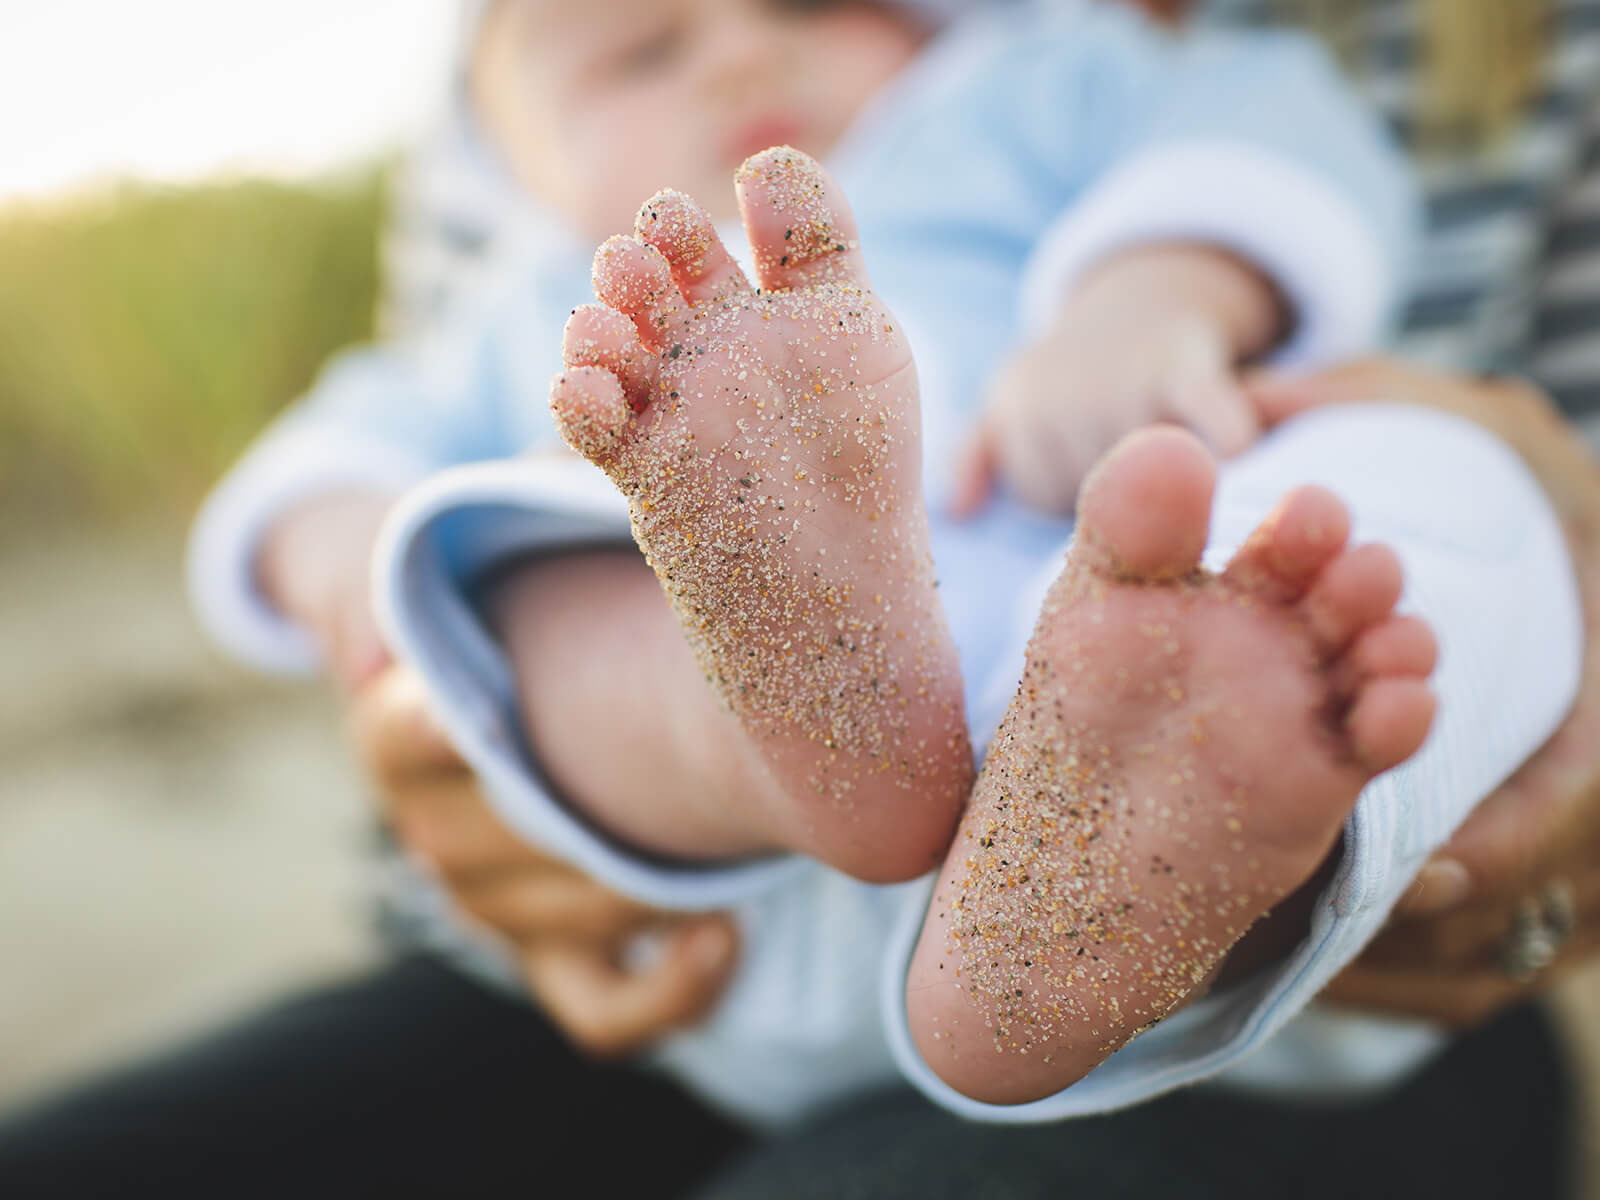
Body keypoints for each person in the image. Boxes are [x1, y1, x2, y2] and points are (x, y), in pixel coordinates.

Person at [359, 0, 1571, 1126]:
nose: (741, 52)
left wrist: (1146, 299)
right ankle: (777, 732)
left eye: (809, 1)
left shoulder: (1026, 83)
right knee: (531, 554)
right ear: (516, 168)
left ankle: (1107, 887)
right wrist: (376, 648)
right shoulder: (530, 299)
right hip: (715, 902)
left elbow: (1263, 131)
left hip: (1165, 805)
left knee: (1438, 458)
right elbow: (336, 474)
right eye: (642, 55)